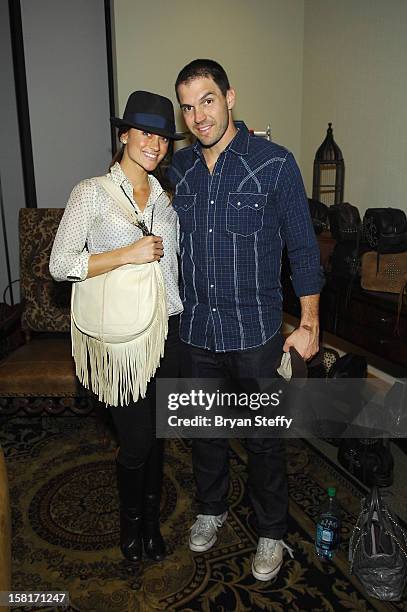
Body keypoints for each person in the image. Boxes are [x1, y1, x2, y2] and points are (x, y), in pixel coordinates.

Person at [168, 60, 324, 581]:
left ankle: (271, 532)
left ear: (230, 97)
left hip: (256, 335)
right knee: (206, 435)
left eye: (207, 100)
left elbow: (303, 248)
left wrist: (309, 322)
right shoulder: (180, 169)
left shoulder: (275, 163)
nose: (198, 116)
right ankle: (211, 509)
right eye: (188, 107)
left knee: (263, 441)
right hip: (195, 333)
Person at [49, 91, 184, 564]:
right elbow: (59, 263)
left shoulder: (164, 199)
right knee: (137, 441)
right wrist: (125, 255)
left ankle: (149, 526)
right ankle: (131, 526)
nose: (155, 143)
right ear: (123, 134)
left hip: (164, 334)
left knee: (159, 436)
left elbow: (171, 271)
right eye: (145, 132)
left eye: (163, 136)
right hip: (120, 344)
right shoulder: (91, 194)